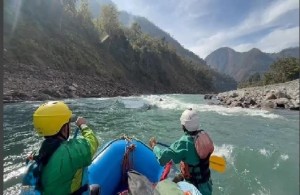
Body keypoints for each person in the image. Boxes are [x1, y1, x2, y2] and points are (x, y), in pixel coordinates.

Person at [31, 101, 99, 195]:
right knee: (96, 188)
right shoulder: (70, 151)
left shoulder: (42, 149)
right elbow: (93, 142)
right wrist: (83, 125)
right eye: (67, 123)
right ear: (63, 128)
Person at [149, 108, 213, 195]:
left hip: (195, 187)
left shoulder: (183, 143)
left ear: (183, 125)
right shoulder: (203, 135)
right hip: (207, 183)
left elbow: (162, 158)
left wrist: (154, 146)